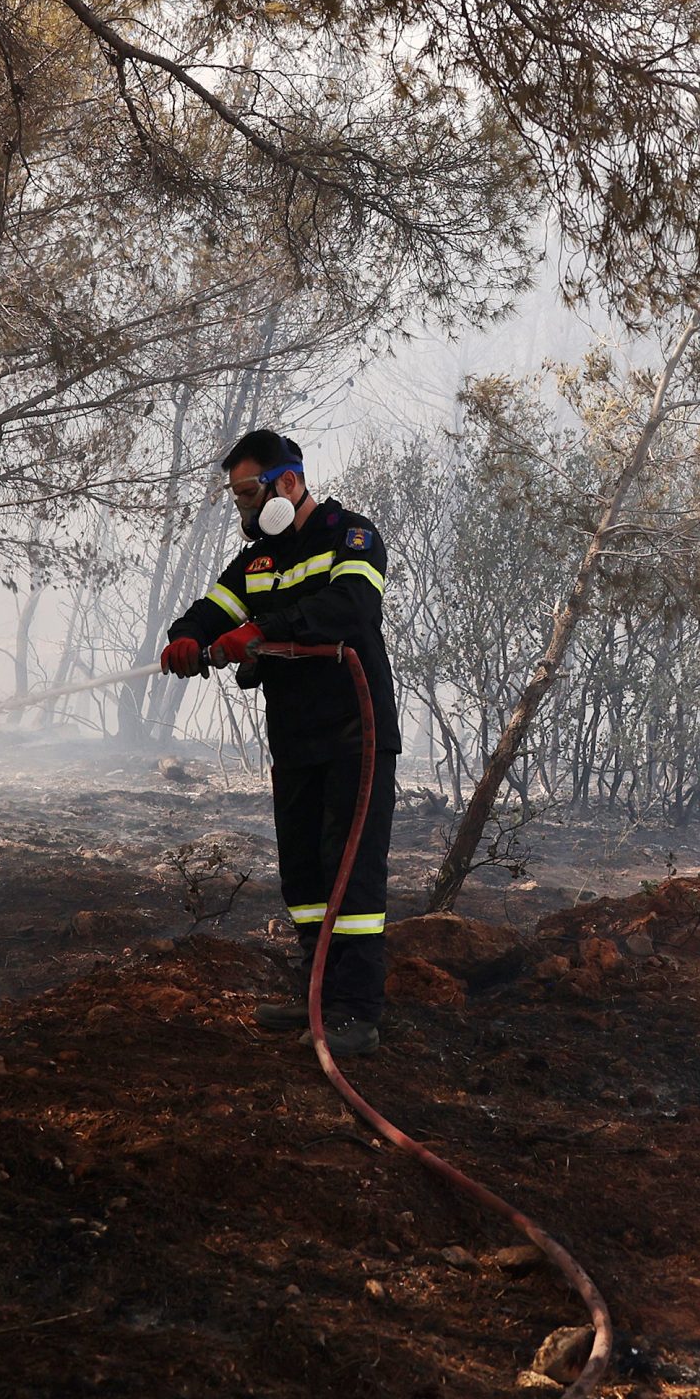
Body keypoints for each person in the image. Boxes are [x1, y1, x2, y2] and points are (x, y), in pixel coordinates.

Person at [161, 429, 400, 1056]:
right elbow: (209, 610)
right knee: (305, 874)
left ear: (288, 482)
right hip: (295, 740)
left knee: (350, 874)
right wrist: (187, 637)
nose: (243, 506)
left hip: (357, 734)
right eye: (235, 495)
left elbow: (349, 610)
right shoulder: (258, 561)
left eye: (249, 491)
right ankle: (317, 996)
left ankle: (356, 1014)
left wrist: (263, 630)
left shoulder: (351, 537)